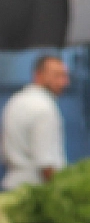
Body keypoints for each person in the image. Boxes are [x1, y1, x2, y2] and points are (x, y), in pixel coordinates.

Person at [1, 53, 68, 190]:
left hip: (11, 184)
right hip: (34, 191)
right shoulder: (45, 107)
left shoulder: (16, 100)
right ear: (38, 75)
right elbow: (45, 163)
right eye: (57, 75)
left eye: (65, 76)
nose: (64, 82)